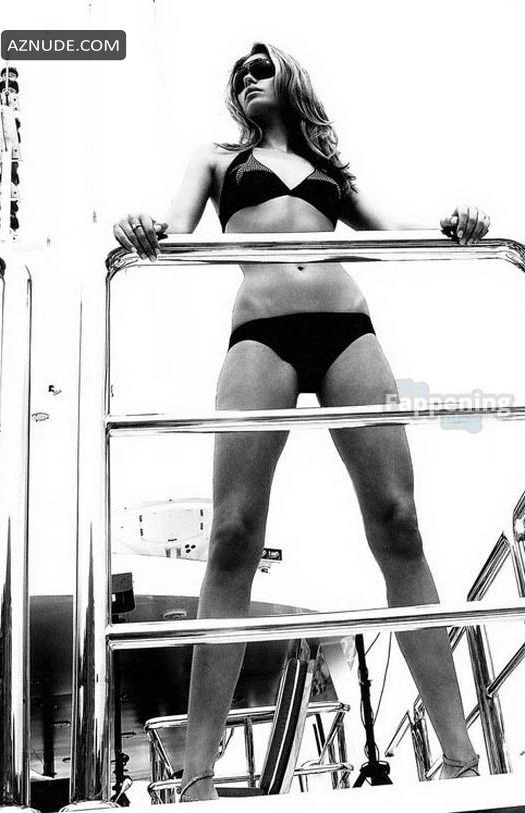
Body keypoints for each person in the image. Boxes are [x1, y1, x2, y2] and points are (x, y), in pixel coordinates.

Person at [113, 42, 490, 801]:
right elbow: (176, 227)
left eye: (262, 66)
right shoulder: (217, 159)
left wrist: (455, 223)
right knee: (232, 532)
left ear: (289, 78)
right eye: (239, 75)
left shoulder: (328, 170)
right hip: (260, 334)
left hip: (348, 328)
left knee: (399, 521)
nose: (249, 77)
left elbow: (391, 230)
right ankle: (197, 776)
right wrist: (144, 227)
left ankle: (459, 753)